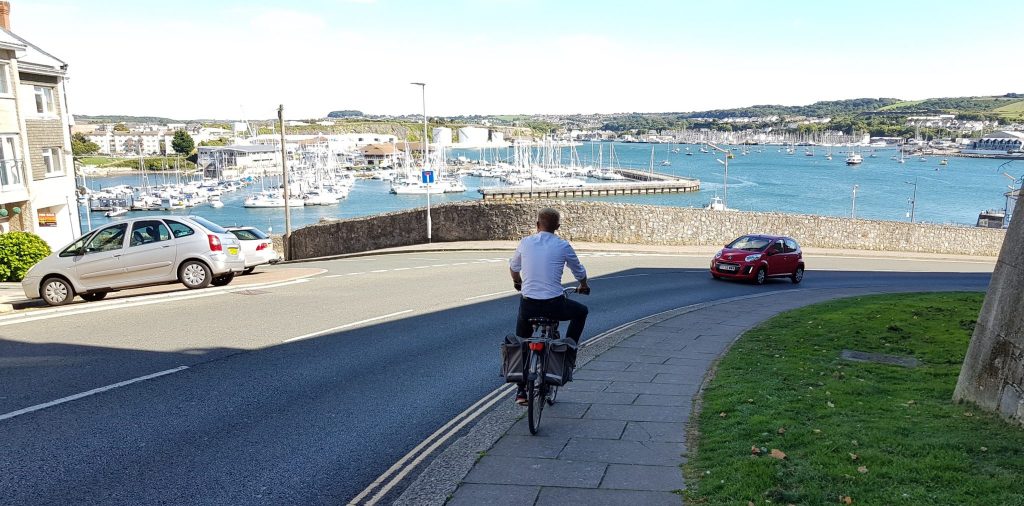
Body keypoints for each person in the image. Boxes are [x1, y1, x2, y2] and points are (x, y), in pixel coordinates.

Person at [509, 207, 590, 405]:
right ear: (558, 227)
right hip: (554, 304)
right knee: (581, 311)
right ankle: (568, 352)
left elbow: (513, 267)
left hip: (529, 306)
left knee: (522, 340)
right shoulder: (563, 245)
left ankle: (521, 391)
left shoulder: (526, 242)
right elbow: (579, 271)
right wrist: (584, 285)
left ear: (537, 225)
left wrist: (517, 282)